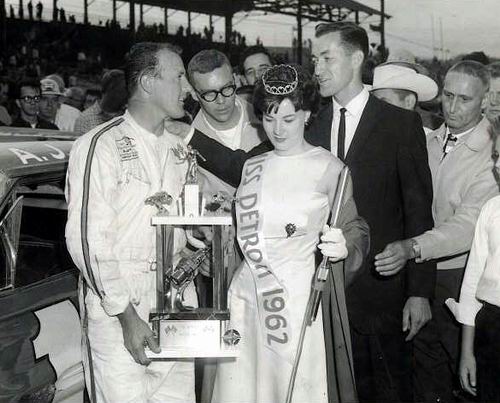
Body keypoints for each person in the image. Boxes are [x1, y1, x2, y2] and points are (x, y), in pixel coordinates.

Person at [181, 22, 435, 402]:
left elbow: (417, 210)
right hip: (280, 298)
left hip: (367, 289)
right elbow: (249, 170)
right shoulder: (303, 124)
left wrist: (420, 291)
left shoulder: (399, 123)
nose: (318, 67)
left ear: (357, 58)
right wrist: (184, 136)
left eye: (326, 58)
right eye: (314, 59)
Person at [211, 64, 369, 403]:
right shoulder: (252, 166)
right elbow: (240, 235)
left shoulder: (330, 168)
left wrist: (344, 247)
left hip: (294, 303)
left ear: (307, 113)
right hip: (246, 296)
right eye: (269, 119)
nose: (278, 129)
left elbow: (355, 228)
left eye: (288, 118)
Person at [65, 42, 196, 403]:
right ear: (149, 82)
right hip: (120, 305)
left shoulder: (179, 149)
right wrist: (127, 316)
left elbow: (182, 227)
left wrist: (201, 239)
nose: (187, 87)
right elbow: (87, 240)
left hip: (173, 298)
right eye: (179, 76)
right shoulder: (99, 145)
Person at [375, 60, 499, 402]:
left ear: (485, 101)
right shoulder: (427, 140)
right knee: (426, 377)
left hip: (461, 278)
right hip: (419, 274)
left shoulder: (493, 154)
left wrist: (412, 247)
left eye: (465, 99)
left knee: (469, 380)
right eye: (448, 95)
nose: (453, 107)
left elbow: (468, 224)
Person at [446, 120, 500, 402]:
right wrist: (467, 352)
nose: (498, 166)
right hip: (491, 328)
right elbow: (471, 284)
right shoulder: (492, 209)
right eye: (496, 156)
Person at [187, 49, 266, 196]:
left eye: (227, 88)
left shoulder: (268, 123)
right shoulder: (184, 145)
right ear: (194, 94)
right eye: (209, 94)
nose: (221, 101)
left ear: (235, 80)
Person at [370, 62, 438, 133]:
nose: (376, 111)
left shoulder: (428, 141)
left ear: (409, 102)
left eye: (384, 103)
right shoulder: (370, 136)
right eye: (374, 104)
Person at [74, 69, 127, 135]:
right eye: (121, 91)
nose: (126, 96)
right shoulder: (86, 119)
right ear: (108, 90)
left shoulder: (127, 117)